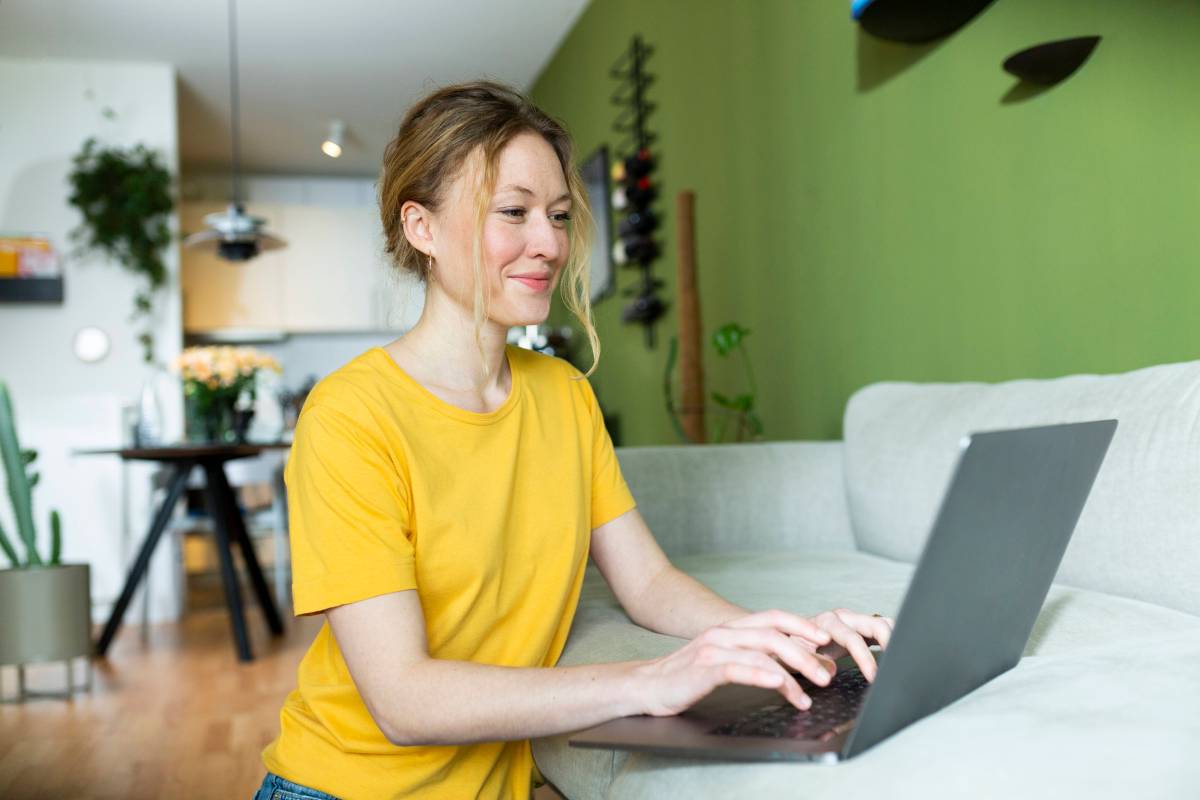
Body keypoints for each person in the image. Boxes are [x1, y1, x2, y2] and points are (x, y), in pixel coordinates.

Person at [255, 80, 895, 800]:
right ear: (422, 227)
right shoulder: (350, 416)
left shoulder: (562, 394)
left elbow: (649, 584)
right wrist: (653, 681)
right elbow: (403, 700)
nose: (550, 243)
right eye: (514, 212)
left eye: (558, 215)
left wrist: (788, 641)